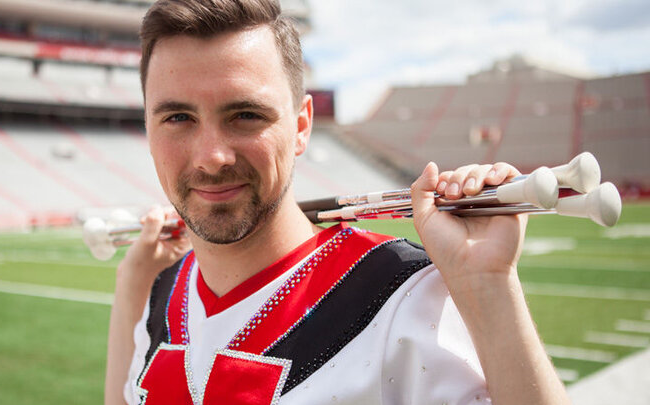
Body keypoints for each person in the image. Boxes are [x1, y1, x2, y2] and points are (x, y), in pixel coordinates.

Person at [104, 0, 571, 404]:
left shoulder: (404, 298)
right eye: (178, 117)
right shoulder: (160, 297)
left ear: (302, 125)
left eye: (246, 115)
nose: (212, 157)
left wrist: (490, 290)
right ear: (147, 129)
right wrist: (132, 288)